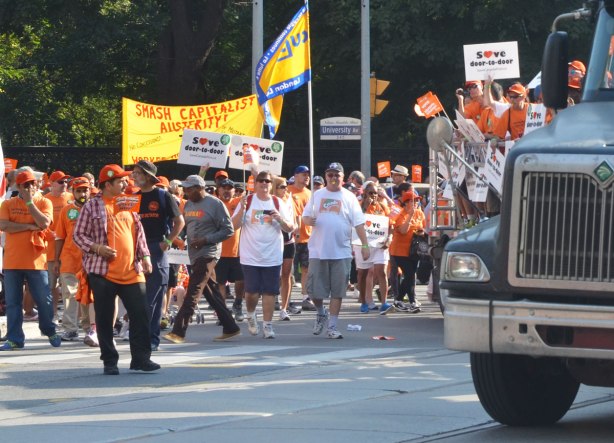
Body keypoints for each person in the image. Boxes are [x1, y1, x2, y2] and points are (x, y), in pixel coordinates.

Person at [73, 164, 159, 375]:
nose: (125, 183)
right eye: (120, 180)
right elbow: (78, 235)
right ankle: (109, 361)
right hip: (103, 272)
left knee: (141, 314)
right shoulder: (92, 206)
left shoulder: (128, 202)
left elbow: (139, 234)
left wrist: (146, 256)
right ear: (107, 184)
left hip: (132, 270)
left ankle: (141, 358)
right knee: (104, 317)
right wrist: (97, 248)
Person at [163, 175, 240, 344]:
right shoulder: (189, 203)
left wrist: (206, 240)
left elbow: (228, 230)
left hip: (209, 253)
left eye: (190, 189)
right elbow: (187, 226)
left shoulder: (215, 204)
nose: (187, 192)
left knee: (193, 290)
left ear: (200, 188)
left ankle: (178, 331)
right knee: (210, 291)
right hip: (193, 255)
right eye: (186, 188)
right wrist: (180, 238)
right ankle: (230, 326)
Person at [302, 162, 370, 339]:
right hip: (318, 250)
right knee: (314, 292)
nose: (333, 178)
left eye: (336, 175)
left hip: (341, 252)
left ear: (342, 177)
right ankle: (320, 312)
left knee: (337, 292)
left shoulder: (349, 197)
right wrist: (308, 220)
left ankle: (332, 326)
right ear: (326, 176)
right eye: (330, 174)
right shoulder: (317, 195)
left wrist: (364, 245)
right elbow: (305, 216)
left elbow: (359, 223)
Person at [0, 169, 61, 350]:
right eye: (25, 185)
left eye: (32, 184)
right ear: (18, 186)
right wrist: (28, 226)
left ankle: (49, 329)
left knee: (44, 300)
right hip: (12, 261)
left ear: (38, 185)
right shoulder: (7, 204)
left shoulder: (45, 202)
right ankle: (14, 338)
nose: (30, 187)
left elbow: (43, 223)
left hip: (37, 261)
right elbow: (3, 225)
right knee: (13, 303)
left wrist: (29, 202)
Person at [232, 171, 294, 339]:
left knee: (269, 292)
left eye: (267, 181)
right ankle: (251, 316)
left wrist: (280, 219)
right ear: (255, 183)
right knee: (251, 292)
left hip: (272, 255)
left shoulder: (277, 202)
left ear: (271, 184)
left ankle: (267, 326)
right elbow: (233, 226)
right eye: (261, 180)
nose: (264, 183)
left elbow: (290, 227)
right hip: (250, 255)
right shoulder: (247, 201)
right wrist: (242, 210)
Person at [131, 160, 185, 351]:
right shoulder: (133, 197)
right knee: (139, 297)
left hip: (156, 248)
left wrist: (168, 241)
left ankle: (151, 338)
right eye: (134, 172)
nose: (134, 176)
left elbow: (180, 221)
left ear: (148, 176)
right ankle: (142, 335)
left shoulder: (163, 196)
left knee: (153, 297)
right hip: (136, 250)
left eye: (138, 173)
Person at [55, 177, 97, 345]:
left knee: (88, 296)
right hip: (69, 259)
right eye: (79, 190)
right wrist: (57, 260)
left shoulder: (96, 209)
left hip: (90, 261)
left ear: (89, 191)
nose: (82, 193)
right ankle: (70, 329)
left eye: (85, 190)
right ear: (73, 192)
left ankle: (88, 328)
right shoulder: (67, 211)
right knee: (70, 295)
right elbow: (59, 236)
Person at [355, 181, 393, 314]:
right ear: (365, 193)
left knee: (381, 271)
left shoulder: (383, 207)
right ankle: (364, 301)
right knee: (363, 274)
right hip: (363, 244)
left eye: (376, 193)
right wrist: (366, 204)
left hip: (380, 244)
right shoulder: (358, 206)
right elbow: (355, 222)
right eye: (371, 193)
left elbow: (390, 225)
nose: (374, 196)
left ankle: (384, 303)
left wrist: (389, 239)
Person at [389, 191, 426, 313]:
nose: (416, 203)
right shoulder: (400, 215)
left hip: (413, 251)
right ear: (406, 203)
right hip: (399, 251)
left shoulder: (420, 213)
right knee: (410, 275)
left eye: (417, 200)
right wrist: (410, 215)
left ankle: (410, 301)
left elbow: (423, 228)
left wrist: (421, 232)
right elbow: (403, 230)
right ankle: (401, 300)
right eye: (413, 201)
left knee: (410, 276)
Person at [214, 178, 245, 321]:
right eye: (223, 187)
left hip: (237, 251)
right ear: (218, 189)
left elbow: (253, 192)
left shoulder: (238, 202)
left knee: (241, 280)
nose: (226, 190)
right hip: (218, 251)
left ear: (234, 190)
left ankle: (238, 304)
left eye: (229, 188)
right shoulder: (214, 202)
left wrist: (253, 174)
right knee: (220, 283)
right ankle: (223, 312)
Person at [44, 170, 73, 320]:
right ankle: (53, 314)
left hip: (69, 250)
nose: (65, 184)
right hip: (50, 250)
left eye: (66, 181)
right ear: (51, 184)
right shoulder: (45, 199)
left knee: (70, 287)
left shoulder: (72, 198)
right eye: (61, 182)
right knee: (52, 285)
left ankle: (72, 318)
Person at [287, 165, 315, 311]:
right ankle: (287, 299)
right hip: (290, 237)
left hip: (307, 238)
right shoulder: (287, 191)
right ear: (295, 175)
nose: (306, 177)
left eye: (308, 175)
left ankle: (306, 298)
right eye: (303, 174)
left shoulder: (311, 194)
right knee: (288, 271)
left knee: (307, 269)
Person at [272, 175, 299, 321]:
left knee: (286, 274)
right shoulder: (270, 201)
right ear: (275, 188)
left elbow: (295, 219)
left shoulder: (289, 200)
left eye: (285, 186)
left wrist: (295, 226)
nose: (285, 189)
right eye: (282, 187)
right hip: (274, 241)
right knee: (273, 274)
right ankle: (271, 302)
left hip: (289, 241)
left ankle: (284, 307)